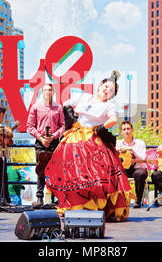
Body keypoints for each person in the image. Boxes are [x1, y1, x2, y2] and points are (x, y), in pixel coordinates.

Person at [44, 71, 136, 222]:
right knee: (71, 173)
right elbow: (66, 104)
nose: (107, 90)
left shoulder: (109, 106)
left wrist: (101, 128)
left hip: (93, 140)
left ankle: (94, 206)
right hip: (75, 137)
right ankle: (75, 206)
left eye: (111, 90)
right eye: (106, 87)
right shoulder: (84, 97)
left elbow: (113, 119)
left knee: (97, 175)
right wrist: (70, 116)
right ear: (100, 86)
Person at [27, 84, 65, 206]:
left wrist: (54, 136)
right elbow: (30, 126)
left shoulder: (59, 107)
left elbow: (63, 125)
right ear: (41, 92)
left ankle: (55, 198)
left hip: (54, 141)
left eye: (50, 90)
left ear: (53, 92)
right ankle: (39, 198)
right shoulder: (35, 107)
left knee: (55, 170)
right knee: (40, 169)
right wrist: (41, 138)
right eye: (45, 90)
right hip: (40, 142)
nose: (47, 92)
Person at [116, 121, 147, 208]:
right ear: (121, 132)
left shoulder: (140, 143)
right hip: (124, 168)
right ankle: (119, 200)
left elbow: (143, 159)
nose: (126, 131)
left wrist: (132, 150)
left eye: (128, 129)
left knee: (140, 174)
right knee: (113, 173)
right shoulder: (118, 143)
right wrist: (119, 150)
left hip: (137, 168)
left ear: (132, 130)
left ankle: (138, 200)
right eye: (124, 129)